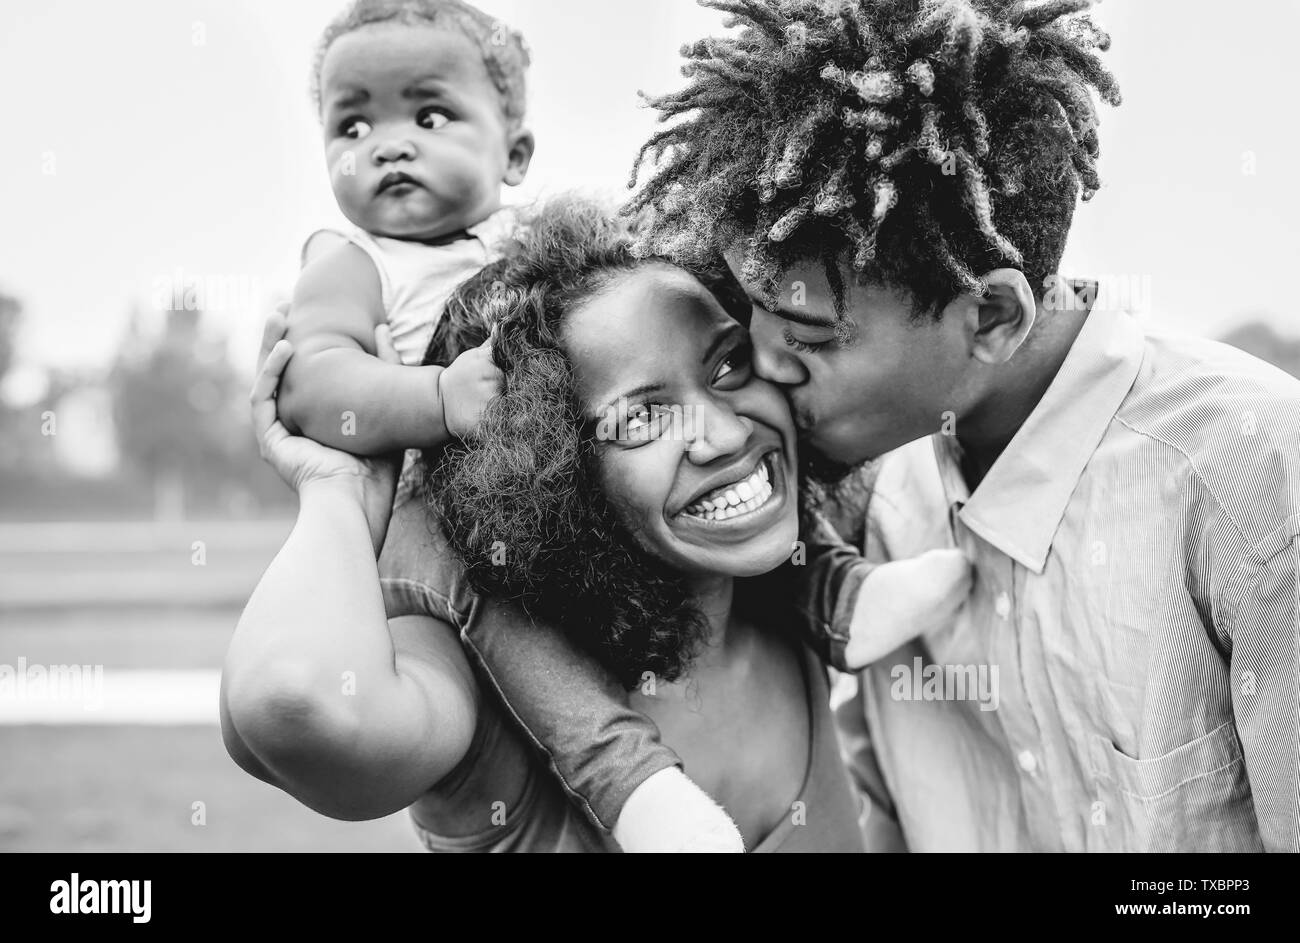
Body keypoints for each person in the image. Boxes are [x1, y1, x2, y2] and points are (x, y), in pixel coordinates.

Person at [222, 199, 956, 851]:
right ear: (553, 476)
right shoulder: (483, 697)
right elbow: (295, 701)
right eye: (642, 416)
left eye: (729, 365)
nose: (726, 435)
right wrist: (337, 495)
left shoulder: (793, 598)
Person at [276, 0, 531, 464]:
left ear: (513, 155)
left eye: (429, 117)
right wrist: (437, 398)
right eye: (353, 127)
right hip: (420, 515)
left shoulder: (539, 240)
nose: (389, 146)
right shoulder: (354, 267)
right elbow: (308, 384)